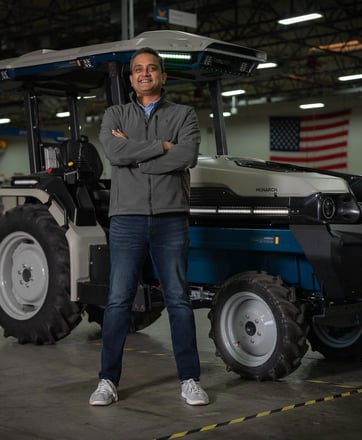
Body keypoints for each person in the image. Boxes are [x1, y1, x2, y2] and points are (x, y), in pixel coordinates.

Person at [89, 47, 209, 406]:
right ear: (130, 78)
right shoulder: (115, 113)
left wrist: (140, 160)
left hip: (171, 218)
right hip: (126, 218)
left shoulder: (184, 114)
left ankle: (190, 379)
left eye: (151, 68)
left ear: (162, 76)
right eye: (138, 69)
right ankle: (107, 381)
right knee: (117, 301)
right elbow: (114, 154)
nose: (145, 74)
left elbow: (186, 156)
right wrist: (160, 147)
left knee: (177, 299)